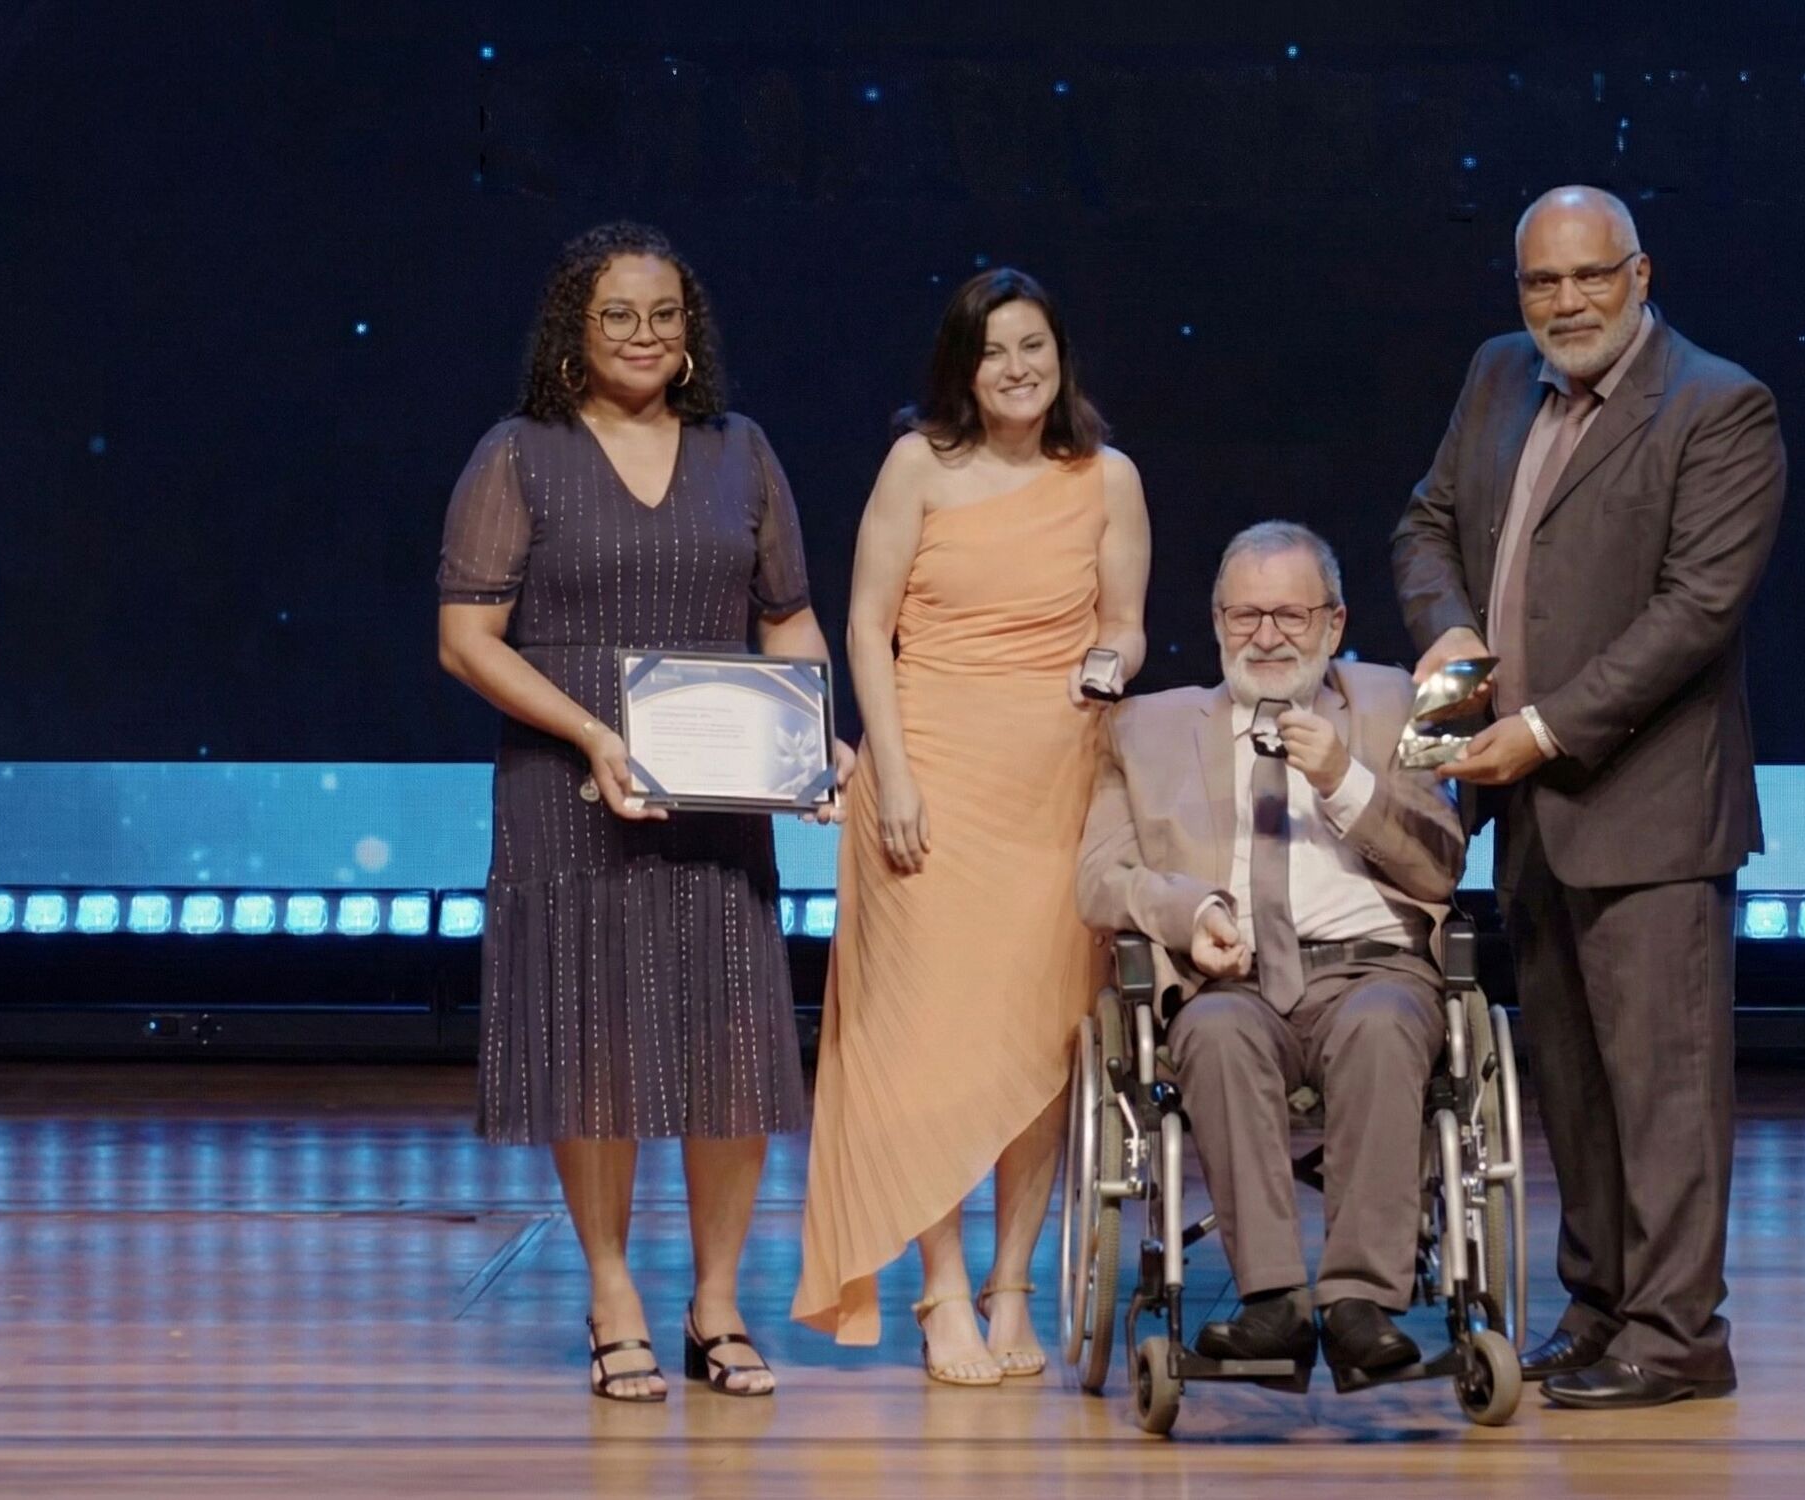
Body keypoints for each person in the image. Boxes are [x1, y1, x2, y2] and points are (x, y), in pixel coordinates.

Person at [437, 221, 849, 1401]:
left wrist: (817, 739)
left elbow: (785, 620)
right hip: (572, 788)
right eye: (618, 314)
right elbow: (466, 638)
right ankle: (612, 1290)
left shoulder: (742, 450)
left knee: (730, 1043)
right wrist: (592, 732)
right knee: (596, 1041)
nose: (644, 336)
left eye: (665, 314)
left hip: (719, 794)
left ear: (690, 329)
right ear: (575, 329)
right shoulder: (518, 455)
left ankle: (717, 1307)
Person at [1391, 186, 1787, 1410]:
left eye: (1588, 277)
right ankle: (1601, 1305)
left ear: (1640, 272)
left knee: (1663, 1092)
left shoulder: (1720, 406)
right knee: (1572, 1084)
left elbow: (1694, 615)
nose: (1565, 302)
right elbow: (1429, 522)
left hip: (1647, 807)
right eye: (1540, 282)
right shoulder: (1499, 375)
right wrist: (1453, 633)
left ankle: (1677, 1337)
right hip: (1527, 810)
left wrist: (1544, 730)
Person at [792, 268, 1150, 1384]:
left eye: (1033, 346)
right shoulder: (918, 467)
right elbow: (864, 627)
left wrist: (1107, 663)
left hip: (1053, 784)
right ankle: (940, 1290)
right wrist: (889, 775)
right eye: (994, 351)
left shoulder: (1108, 478)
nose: (1016, 369)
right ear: (963, 364)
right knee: (930, 1049)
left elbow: (1128, 628)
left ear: (1061, 356)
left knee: (1035, 1047)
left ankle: (1013, 1284)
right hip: (928, 780)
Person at [1076, 522, 1465, 1378]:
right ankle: (1275, 1302)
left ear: (1333, 624)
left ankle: (1361, 1303)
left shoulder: (1397, 701)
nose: (1267, 635)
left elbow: (1442, 866)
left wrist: (1344, 781)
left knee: (1380, 1027)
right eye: (1246, 615)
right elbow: (1100, 878)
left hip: (1369, 967)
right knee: (1213, 1038)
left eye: (1290, 616)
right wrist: (1191, 911)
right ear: (1217, 623)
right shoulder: (1145, 727)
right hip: (1233, 977)